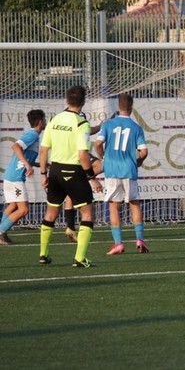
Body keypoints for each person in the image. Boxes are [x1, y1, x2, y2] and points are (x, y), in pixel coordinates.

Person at [38, 85, 102, 267]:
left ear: (67, 100)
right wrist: (93, 178)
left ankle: (43, 254)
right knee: (88, 213)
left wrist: (44, 174)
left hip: (55, 171)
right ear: (83, 101)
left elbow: (43, 150)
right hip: (73, 172)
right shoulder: (81, 123)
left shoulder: (54, 120)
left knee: (51, 212)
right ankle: (80, 258)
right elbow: (83, 155)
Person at [95, 93, 149, 255]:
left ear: (118, 107)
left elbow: (98, 143)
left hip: (112, 170)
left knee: (114, 206)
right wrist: (139, 161)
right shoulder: (136, 127)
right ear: (131, 108)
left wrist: (103, 157)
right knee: (134, 204)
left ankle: (118, 243)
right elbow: (144, 152)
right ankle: (139, 240)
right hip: (129, 169)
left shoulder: (109, 124)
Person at [0, 110, 47, 245]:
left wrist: (37, 164)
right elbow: (15, 146)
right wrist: (28, 165)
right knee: (23, 209)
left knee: (13, 205)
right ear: (40, 122)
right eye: (44, 119)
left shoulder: (34, 136)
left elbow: (24, 155)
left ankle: (3, 233)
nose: (45, 122)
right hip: (15, 177)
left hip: (11, 175)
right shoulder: (32, 134)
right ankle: (1, 232)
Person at [64, 111, 104, 242]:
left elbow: (88, 130)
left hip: (65, 160)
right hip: (78, 156)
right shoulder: (79, 120)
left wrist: (99, 126)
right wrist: (92, 178)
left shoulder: (64, 121)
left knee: (70, 192)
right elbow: (86, 130)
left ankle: (70, 227)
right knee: (101, 164)